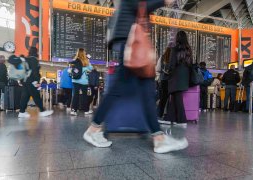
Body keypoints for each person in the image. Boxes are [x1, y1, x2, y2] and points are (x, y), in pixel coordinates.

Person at [82, 0, 188, 154]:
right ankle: (93, 129)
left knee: (144, 91)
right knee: (125, 89)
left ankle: (158, 139)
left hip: (128, 42)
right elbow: (138, 4)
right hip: (131, 43)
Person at [165, 31, 192, 128]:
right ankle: (171, 118)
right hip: (184, 77)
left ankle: (181, 120)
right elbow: (190, 64)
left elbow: (172, 64)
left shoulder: (175, 49)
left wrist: (168, 72)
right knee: (175, 97)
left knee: (177, 98)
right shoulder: (188, 50)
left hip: (176, 76)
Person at [18, 47, 53, 118]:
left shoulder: (26, 60)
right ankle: (42, 111)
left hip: (25, 80)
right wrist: (37, 80)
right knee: (36, 95)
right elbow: (35, 71)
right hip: (32, 80)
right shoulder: (34, 60)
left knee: (25, 96)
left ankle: (22, 112)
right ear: (36, 52)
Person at [70, 48, 93, 116]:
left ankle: (73, 110)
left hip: (75, 80)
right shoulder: (86, 61)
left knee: (75, 95)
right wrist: (88, 60)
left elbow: (71, 69)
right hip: (83, 81)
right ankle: (86, 110)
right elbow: (91, 68)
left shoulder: (75, 60)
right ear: (84, 53)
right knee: (84, 96)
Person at [156, 48, 171, 122]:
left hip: (163, 80)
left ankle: (159, 115)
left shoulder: (162, 57)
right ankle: (168, 115)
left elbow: (158, 69)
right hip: (172, 81)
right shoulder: (174, 58)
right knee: (171, 99)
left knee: (163, 98)